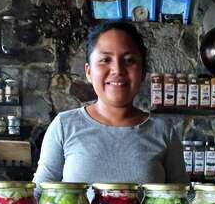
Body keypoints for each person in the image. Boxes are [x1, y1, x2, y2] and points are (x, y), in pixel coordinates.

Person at [32, 21, 188, 186]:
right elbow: (39, 194)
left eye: (129, 60)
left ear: (142, 73)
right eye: (105, 59)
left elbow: (184, 197)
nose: (118, 69)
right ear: (89, 72)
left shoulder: (163, 131)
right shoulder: (64, 126)